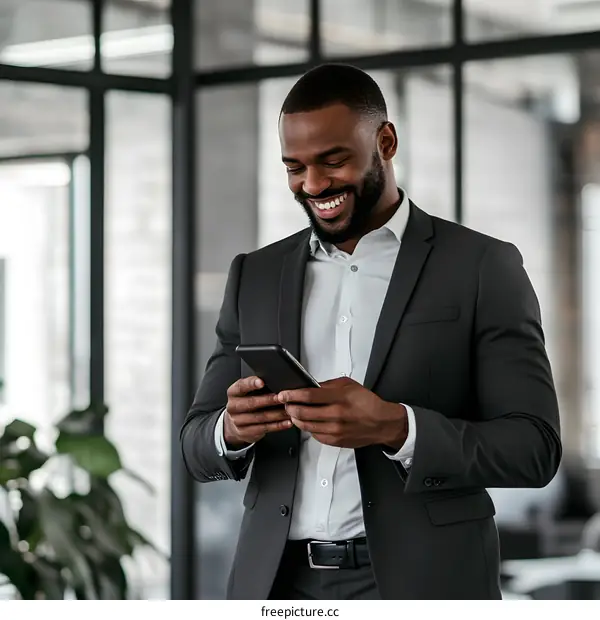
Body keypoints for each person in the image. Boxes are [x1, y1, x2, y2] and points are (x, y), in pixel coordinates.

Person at [180, 63, 562, 600]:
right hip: (275, 584)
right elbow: (194, 446)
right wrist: (231, 429)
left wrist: (396, 427)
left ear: (385, 141)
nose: (313, 185)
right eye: (294, 167)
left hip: (423, 584)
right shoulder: (256, 275)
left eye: (333, 161)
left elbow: (534, 448)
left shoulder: (481, 266)